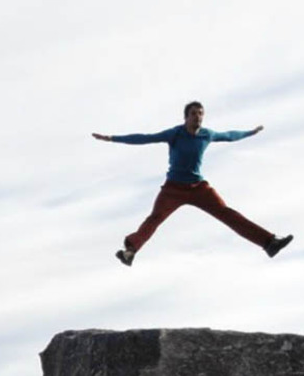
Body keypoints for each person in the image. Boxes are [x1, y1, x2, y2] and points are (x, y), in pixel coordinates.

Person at [92, 101, 292, 266]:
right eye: (194, 114)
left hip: (199, 188)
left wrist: (249, 132)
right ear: (186, 117)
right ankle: (130, 252)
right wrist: (112, 138)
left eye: (200, 114)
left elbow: (230, 135)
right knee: (155, 218)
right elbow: (146, 138)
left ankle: (269, 243)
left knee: (227, 213)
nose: (198, 117)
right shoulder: (175, 134)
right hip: (173, 189)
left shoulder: (207, 134)